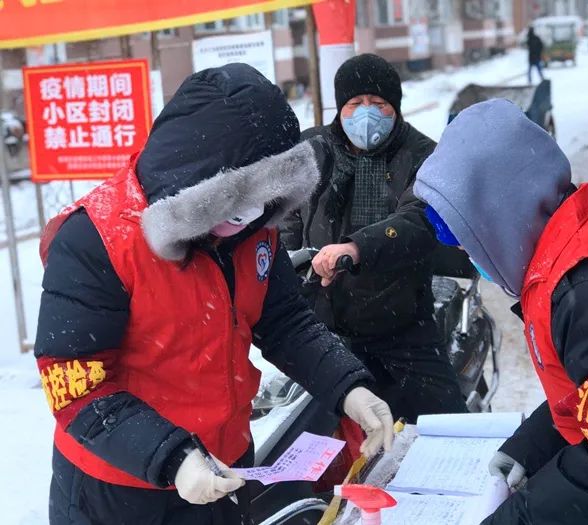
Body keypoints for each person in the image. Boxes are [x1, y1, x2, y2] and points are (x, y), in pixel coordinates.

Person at [34, 63, 394, 525]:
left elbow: (285, 322)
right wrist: (172, 456)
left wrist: (349, 387)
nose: (251, 214)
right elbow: (76, 387)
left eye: (266, 197)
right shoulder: (96, 240)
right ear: (197, 182)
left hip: (225, 467)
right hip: (119, 486)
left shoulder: (251, 231)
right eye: (237, 197)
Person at [415, 98, 588, 525]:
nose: (457, 245)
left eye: (456, 227)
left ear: (499, 211)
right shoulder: (573, 248)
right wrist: (530, 447)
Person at [282, 53, 466, 423]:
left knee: (446, 422)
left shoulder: (423, 154)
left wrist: (356, 247)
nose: (367, 113)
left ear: (395, 107)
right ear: (340, 108)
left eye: (378, 103)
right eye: (355, 103)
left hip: (401, 323)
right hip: (323, 324)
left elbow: (418, 219)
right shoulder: (313, 149)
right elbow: (286, 217)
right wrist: (285, 266)